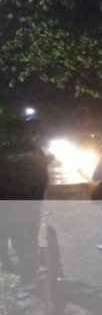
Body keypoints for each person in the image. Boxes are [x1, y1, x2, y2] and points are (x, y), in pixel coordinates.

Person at [0, 118, 50, 280]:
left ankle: (27, 274)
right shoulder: (36, 151)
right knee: (31, 235)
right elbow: (44, 178)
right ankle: (32, 269)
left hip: (10, 203)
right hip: (31, 202)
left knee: (17, 236)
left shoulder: (3, 152)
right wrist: (37, 199)